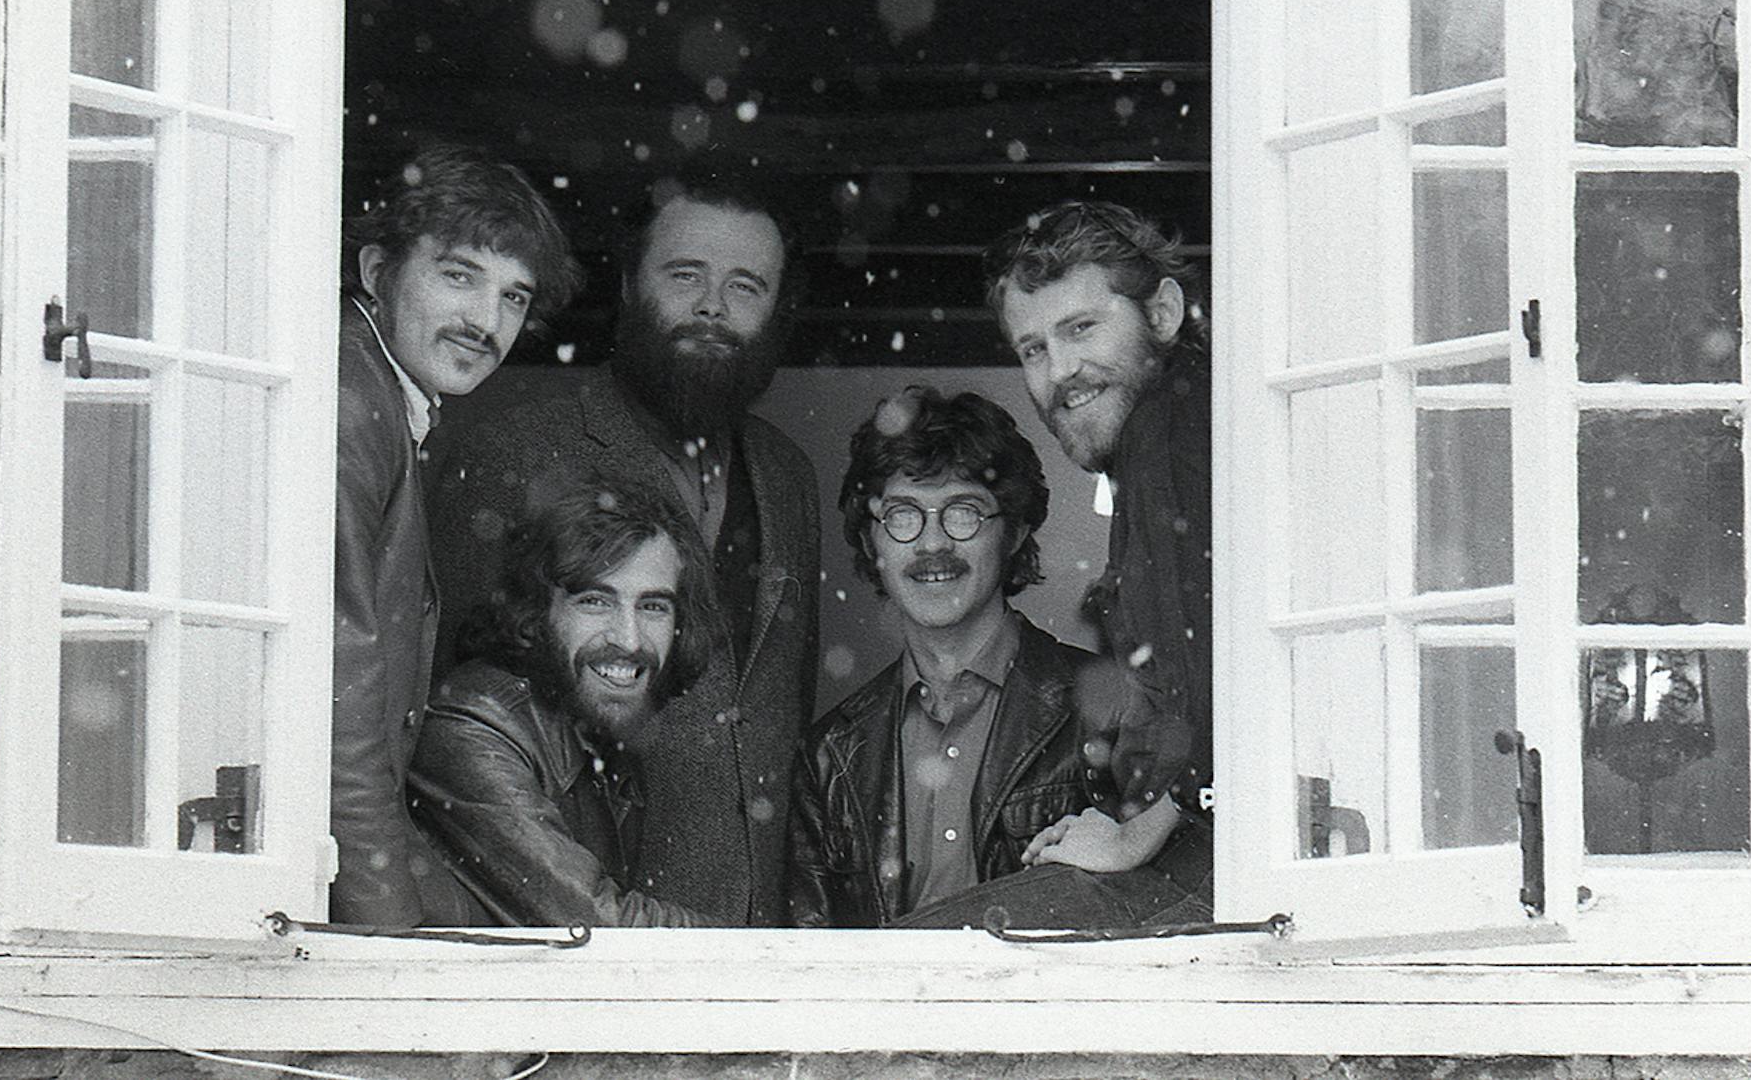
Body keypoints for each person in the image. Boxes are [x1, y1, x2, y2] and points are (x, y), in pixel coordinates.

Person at [428, 171, 820, 925]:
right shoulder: (516, 453)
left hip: (760, 935)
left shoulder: (787, 474)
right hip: (586, 928)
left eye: (746, 286)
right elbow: (458, 709)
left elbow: (783, 716)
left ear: (777, 309)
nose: (713, 305)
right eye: (686, 276)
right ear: (630, 284)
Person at [789, 387, 1152, 927]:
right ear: (872, 544)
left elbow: (1177, 903)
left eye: (962, 512)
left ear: (1014, 531)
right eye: (903, 515)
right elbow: (811, 963)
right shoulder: (828, 756)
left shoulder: (1113, 707)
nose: (933, 544)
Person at [331, 143, 581, 926]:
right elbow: (337, 700)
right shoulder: (351, 410)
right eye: (459, 275)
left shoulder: (377, 393)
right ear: (377, 272)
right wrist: (385, 930)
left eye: (513, 297)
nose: (485, 321)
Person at [981, 200, 1213, 917]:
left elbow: (1233, 684)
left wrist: (1133, 836)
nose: (1061, 371)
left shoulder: (1170, 430)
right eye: (1033, 348)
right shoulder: (1177, 424)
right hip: (1202, 863)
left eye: (1082, 329)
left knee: (916, 973)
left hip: (1210, 876)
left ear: (1164, 314)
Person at [409, 475, 724, 926]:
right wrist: (779, 958)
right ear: (537, 613)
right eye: (596, 601)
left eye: (653, 606)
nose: (629, 639)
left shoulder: (596, 721)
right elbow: (599, 925)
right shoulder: (473, 727)